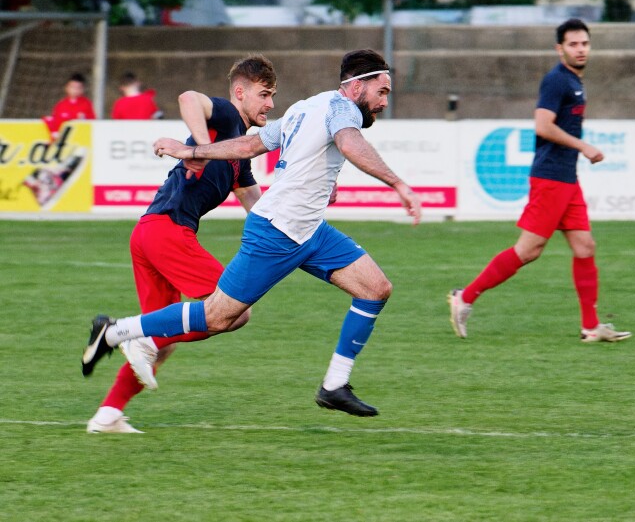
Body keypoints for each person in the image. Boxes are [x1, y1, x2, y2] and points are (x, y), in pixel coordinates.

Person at [82, 49, 422, 418]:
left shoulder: (306, 107)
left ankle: (334, 385)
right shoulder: (343, 111)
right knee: (220, 317)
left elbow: (249, 146)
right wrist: (398, 183)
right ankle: (118, 332)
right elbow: (348, 143)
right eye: (382, 92)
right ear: (356, 86)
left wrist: (193, 149)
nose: (385, 101)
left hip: (310, 231)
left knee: (376, 289)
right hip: (276, 232)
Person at [86, 54, 277, 433]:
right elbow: (189, 97)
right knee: (235, 311)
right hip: (166, 232)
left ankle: (107, 415)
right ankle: (117, 332)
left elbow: (260, 206)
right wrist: (200, 148)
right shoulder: (226, 116)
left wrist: (312, 199)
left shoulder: (238, 156)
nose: (270, 104)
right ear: (240, 92)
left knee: (164, 339)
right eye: (264, 94)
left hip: (150, 233)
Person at [448, 19, 631, 343]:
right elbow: (543, 126)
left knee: (585, 246)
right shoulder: (557, 81)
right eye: (573, 44)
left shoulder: (574, 81)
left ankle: (591, 326)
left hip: (566, 178)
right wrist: (583, 146)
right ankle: (465, 297)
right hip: (550, 179)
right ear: (559, 48)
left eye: (584, 44)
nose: (581, 49)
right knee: (528, 251)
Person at [44, 73, 96, 140]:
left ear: (82, 89)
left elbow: (93, 121)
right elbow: (54, 120)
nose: (75, 90)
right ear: (67, 88)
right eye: (72, 87)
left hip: (81, 138)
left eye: (78, 88)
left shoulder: (86, 104)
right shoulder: (61, 105)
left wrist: (84, 119)